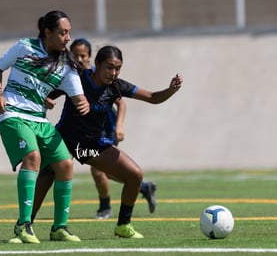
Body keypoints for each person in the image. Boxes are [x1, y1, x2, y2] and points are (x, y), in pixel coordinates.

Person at [33, 45, 183, 239]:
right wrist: (46, 99)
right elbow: (46, 93)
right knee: (48, 173)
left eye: (117, 68)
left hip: (92, 146)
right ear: (97, 64)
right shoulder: (77, 77)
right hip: (65, 140)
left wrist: (171, 90)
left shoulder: (116, 86)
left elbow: (153, 98)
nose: (113, 72)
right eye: (109, 67)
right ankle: (26, 225)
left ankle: (123, 225)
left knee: (135, 175)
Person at [0, 10, 90, 244]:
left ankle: (59, 228)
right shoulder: (24, 47)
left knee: (65, 164)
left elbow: (79, 97)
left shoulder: (67, 66)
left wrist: (83, 103)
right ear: (47, 32)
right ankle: (23, 226)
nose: (68, 38)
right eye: (63, 33)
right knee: (32, 157)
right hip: (12, 114)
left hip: (39, 119)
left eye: (69, 33)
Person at [70, 38, 157, 219]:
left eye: (83, 55)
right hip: (84, 133)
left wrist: (119, 126)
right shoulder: (75, 78)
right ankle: (143, 187)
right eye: (76, 55)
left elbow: (122, 103)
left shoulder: (104, 76)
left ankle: (106, 208)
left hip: (106, 130)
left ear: (90, 57)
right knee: (103, 170)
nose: (79, 59)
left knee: (98, 170)